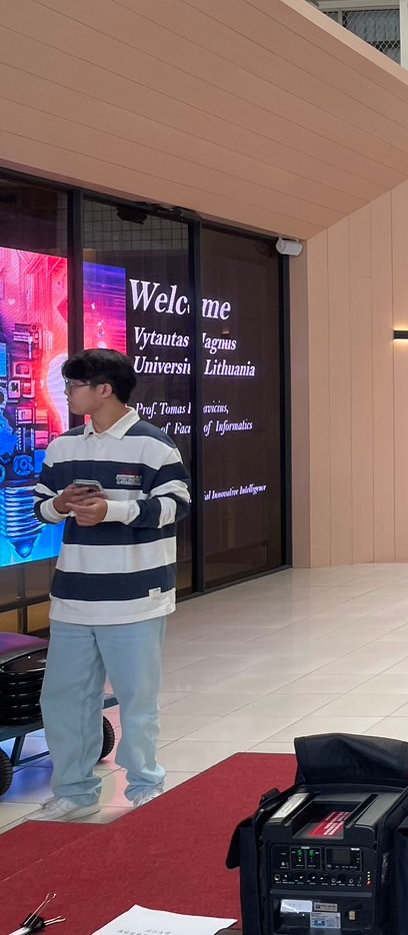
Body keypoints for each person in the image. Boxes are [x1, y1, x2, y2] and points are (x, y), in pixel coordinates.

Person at [27, 349, 191, 822]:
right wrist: (61, 503)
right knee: (64, 699)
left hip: (136, 598)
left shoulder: (154, 445)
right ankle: (75, 791)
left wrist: (112, 510)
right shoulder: (63, 446)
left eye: (74, 385)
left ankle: (145, 787)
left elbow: (177, 505)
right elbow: (41, 508)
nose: (67, 393)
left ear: (104, 389)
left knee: (137, 700)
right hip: (73, 598)